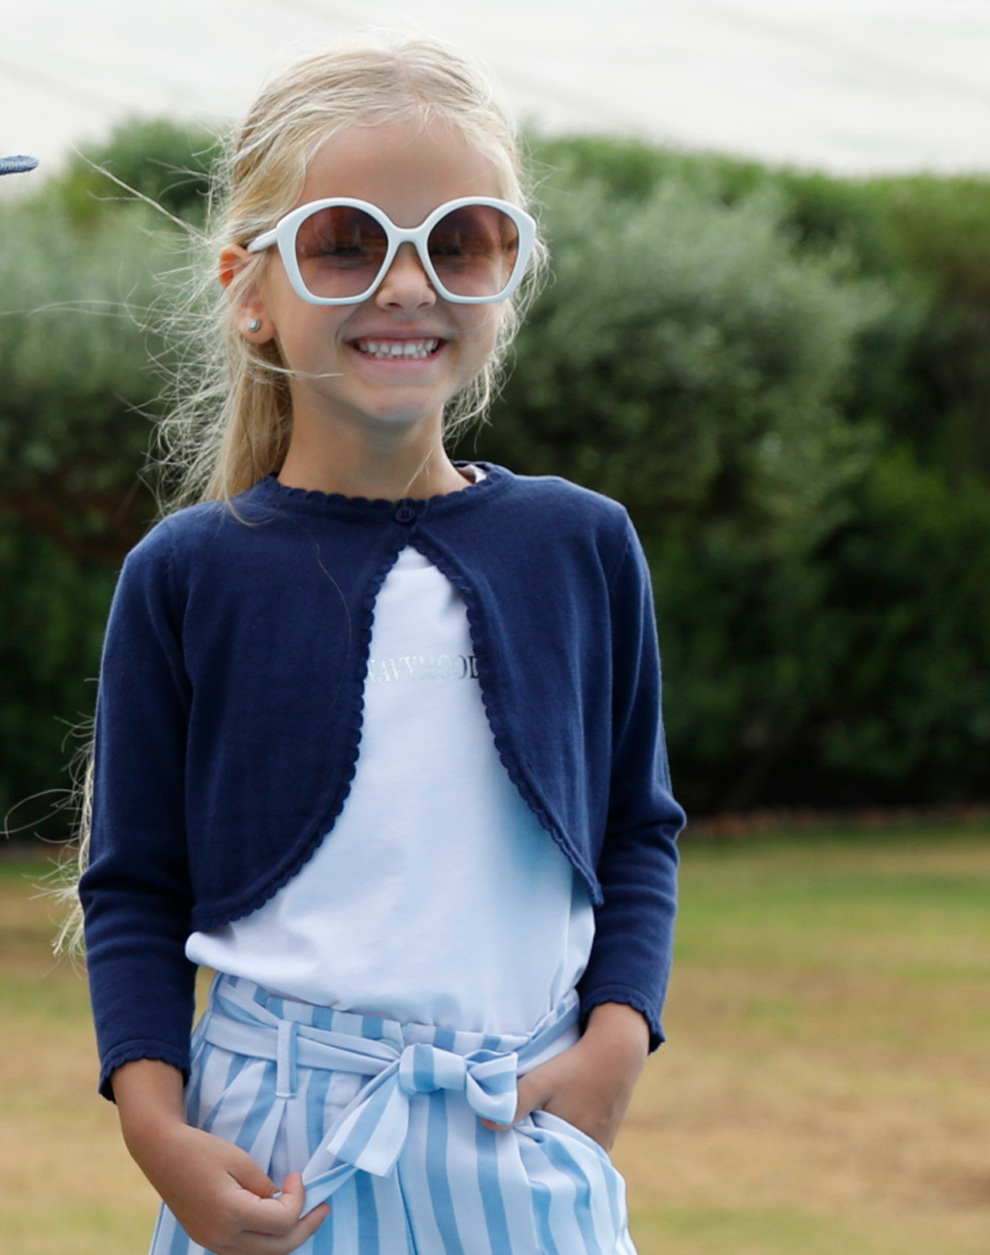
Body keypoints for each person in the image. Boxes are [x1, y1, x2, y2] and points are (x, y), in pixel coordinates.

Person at [78, 34, 685, 1255]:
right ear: (250, 286)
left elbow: (637, 827)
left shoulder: (584, 545)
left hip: (522, 1122)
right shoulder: (188, 575)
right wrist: (156, 1126)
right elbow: (134, 883)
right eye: (347, 242)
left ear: (508, 276)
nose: (408, 284)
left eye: (460, 242)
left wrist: (616, 1040)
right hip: (275, 1150)